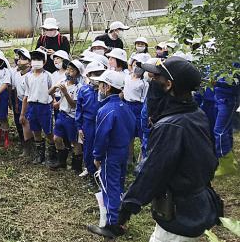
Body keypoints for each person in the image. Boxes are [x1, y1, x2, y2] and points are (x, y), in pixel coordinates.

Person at [118, 57, 223, 241]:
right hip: (196, 206)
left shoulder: (172, 126)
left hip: (179, 216)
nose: (152, 80)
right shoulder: (196, 113)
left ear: (168, 85)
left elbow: (152, 172)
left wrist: (127, 207)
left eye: (156, 78)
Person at [87, 70, 136, 238]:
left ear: (107, 87)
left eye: (100, 85)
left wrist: (97, 156)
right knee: (118, 185)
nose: (99, 88)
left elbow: (101, 137)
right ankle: (120, 220)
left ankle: (111, 225)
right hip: (122, 152)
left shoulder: (106, 110)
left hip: (111, 154)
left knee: (110, 188)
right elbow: (132, 130)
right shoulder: (126, 107)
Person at [20, 49, 56, 165]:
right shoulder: (28, 77)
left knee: (48, 131)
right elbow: (26, 95)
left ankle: (52, 155)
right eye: (34, 59)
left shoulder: (48, 76)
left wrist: (52, 105)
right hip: (32, 107)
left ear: (44, 62)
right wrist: (22, 113)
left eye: (39, 59)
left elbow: (52, 93)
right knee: (35, 131)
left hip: (45, 107)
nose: (36, 62)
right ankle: (39, 155)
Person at [49, 59, 85, 172]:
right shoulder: (63, 82)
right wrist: (55, 88)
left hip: (72, 117)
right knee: (57, 138)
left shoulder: (79, 88)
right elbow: (49, 92)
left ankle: (76, 166)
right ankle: (62, 161)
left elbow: (74, 105)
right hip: (61, 114)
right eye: (68, 69)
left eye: (72, 70)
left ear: (78, 73)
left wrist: (65, 93)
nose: (69, 72)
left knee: (74, 142)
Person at [75, 61, 106, 178]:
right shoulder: (83, 90)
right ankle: (90, 169)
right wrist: (79, 127)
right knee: (88, 147)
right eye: (94, 73)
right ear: (88, 75)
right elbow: (79, 110)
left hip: (102, 122)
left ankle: (101, 171)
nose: (97, 77)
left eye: (100, 73)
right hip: (88, 123)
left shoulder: (105, 90)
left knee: (101, 146)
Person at [123, 53, 150, 165]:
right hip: (127, 106)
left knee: (141, 133)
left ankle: (142, 159)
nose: (137, 68)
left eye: (140, 66)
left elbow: (144, 99)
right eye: (135, 64)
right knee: (129, 133)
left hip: (138, 107)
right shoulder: (127, 77)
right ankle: (129, 157)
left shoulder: (144, 83)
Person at [11, 48, 31, 145]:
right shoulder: (17, 74)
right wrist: (15, 104)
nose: (19, 60)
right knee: (20, 122)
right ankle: (23, 142)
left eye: (23, 58)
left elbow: (27, 97)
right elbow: (15, 90)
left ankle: (30, 144)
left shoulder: (31, 76)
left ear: (29, 63)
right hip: (19, 101)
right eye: (19, 58)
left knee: (27, 123)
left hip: (29, 103)